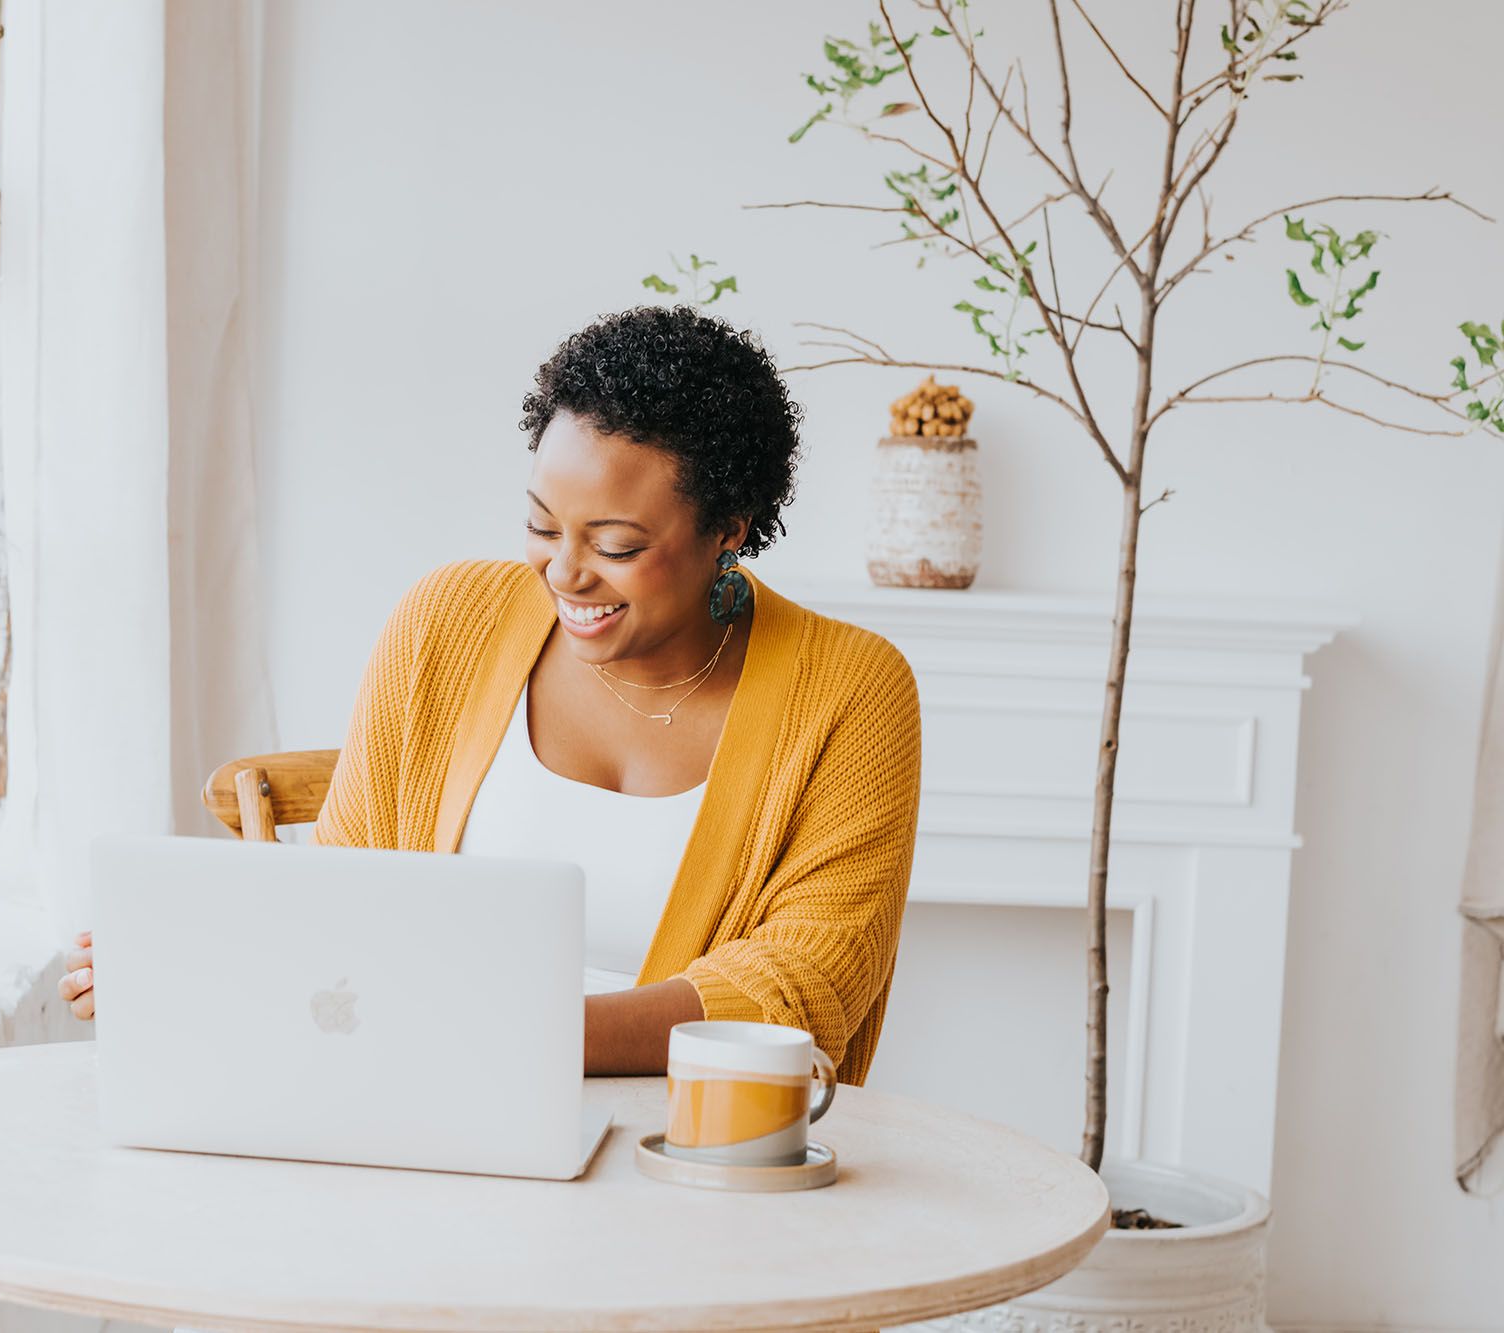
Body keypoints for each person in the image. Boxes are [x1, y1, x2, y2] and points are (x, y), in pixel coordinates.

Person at [61, 305, 922, 1081]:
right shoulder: (448, 620)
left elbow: (804, 988)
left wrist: (502, 1031)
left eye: (616, 545)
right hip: (436, 1104)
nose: (565, 571)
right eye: (542, 525)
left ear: (728, 530)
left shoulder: (850, 689)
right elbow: (347, 898)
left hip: (692, 1148)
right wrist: (198, 964)